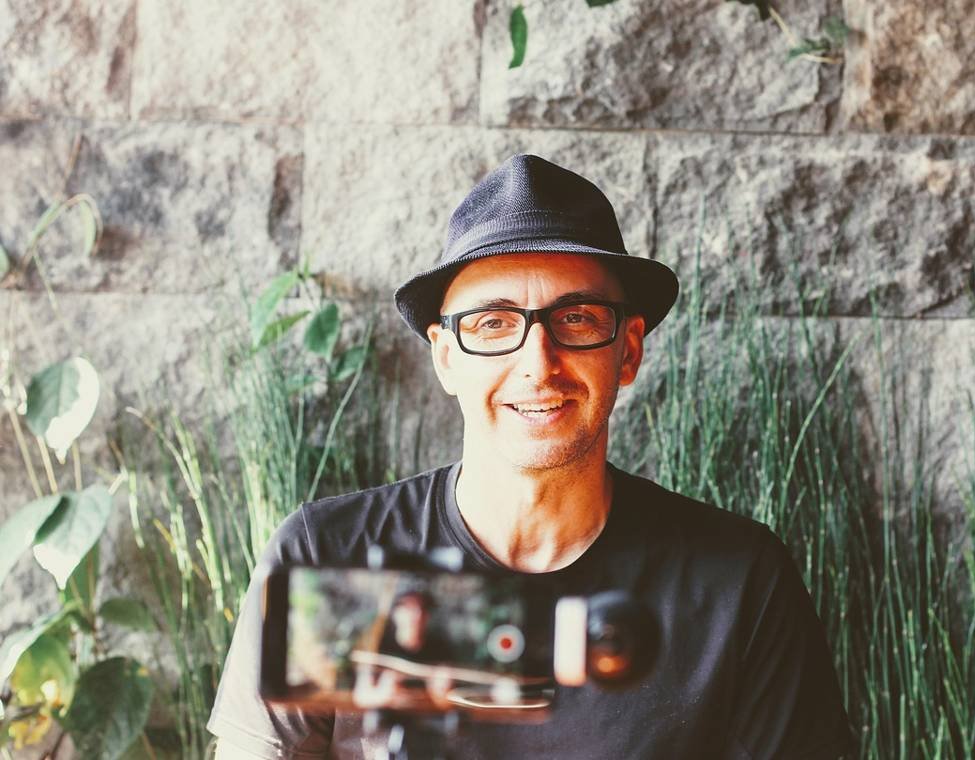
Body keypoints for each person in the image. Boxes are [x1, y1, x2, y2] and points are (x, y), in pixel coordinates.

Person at [207, 154, 854, 759]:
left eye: (576, 319)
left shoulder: (737, 582)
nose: (537, 364)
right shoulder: (329, 559)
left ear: (627, 351)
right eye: (493, 323)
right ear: (445, 356)